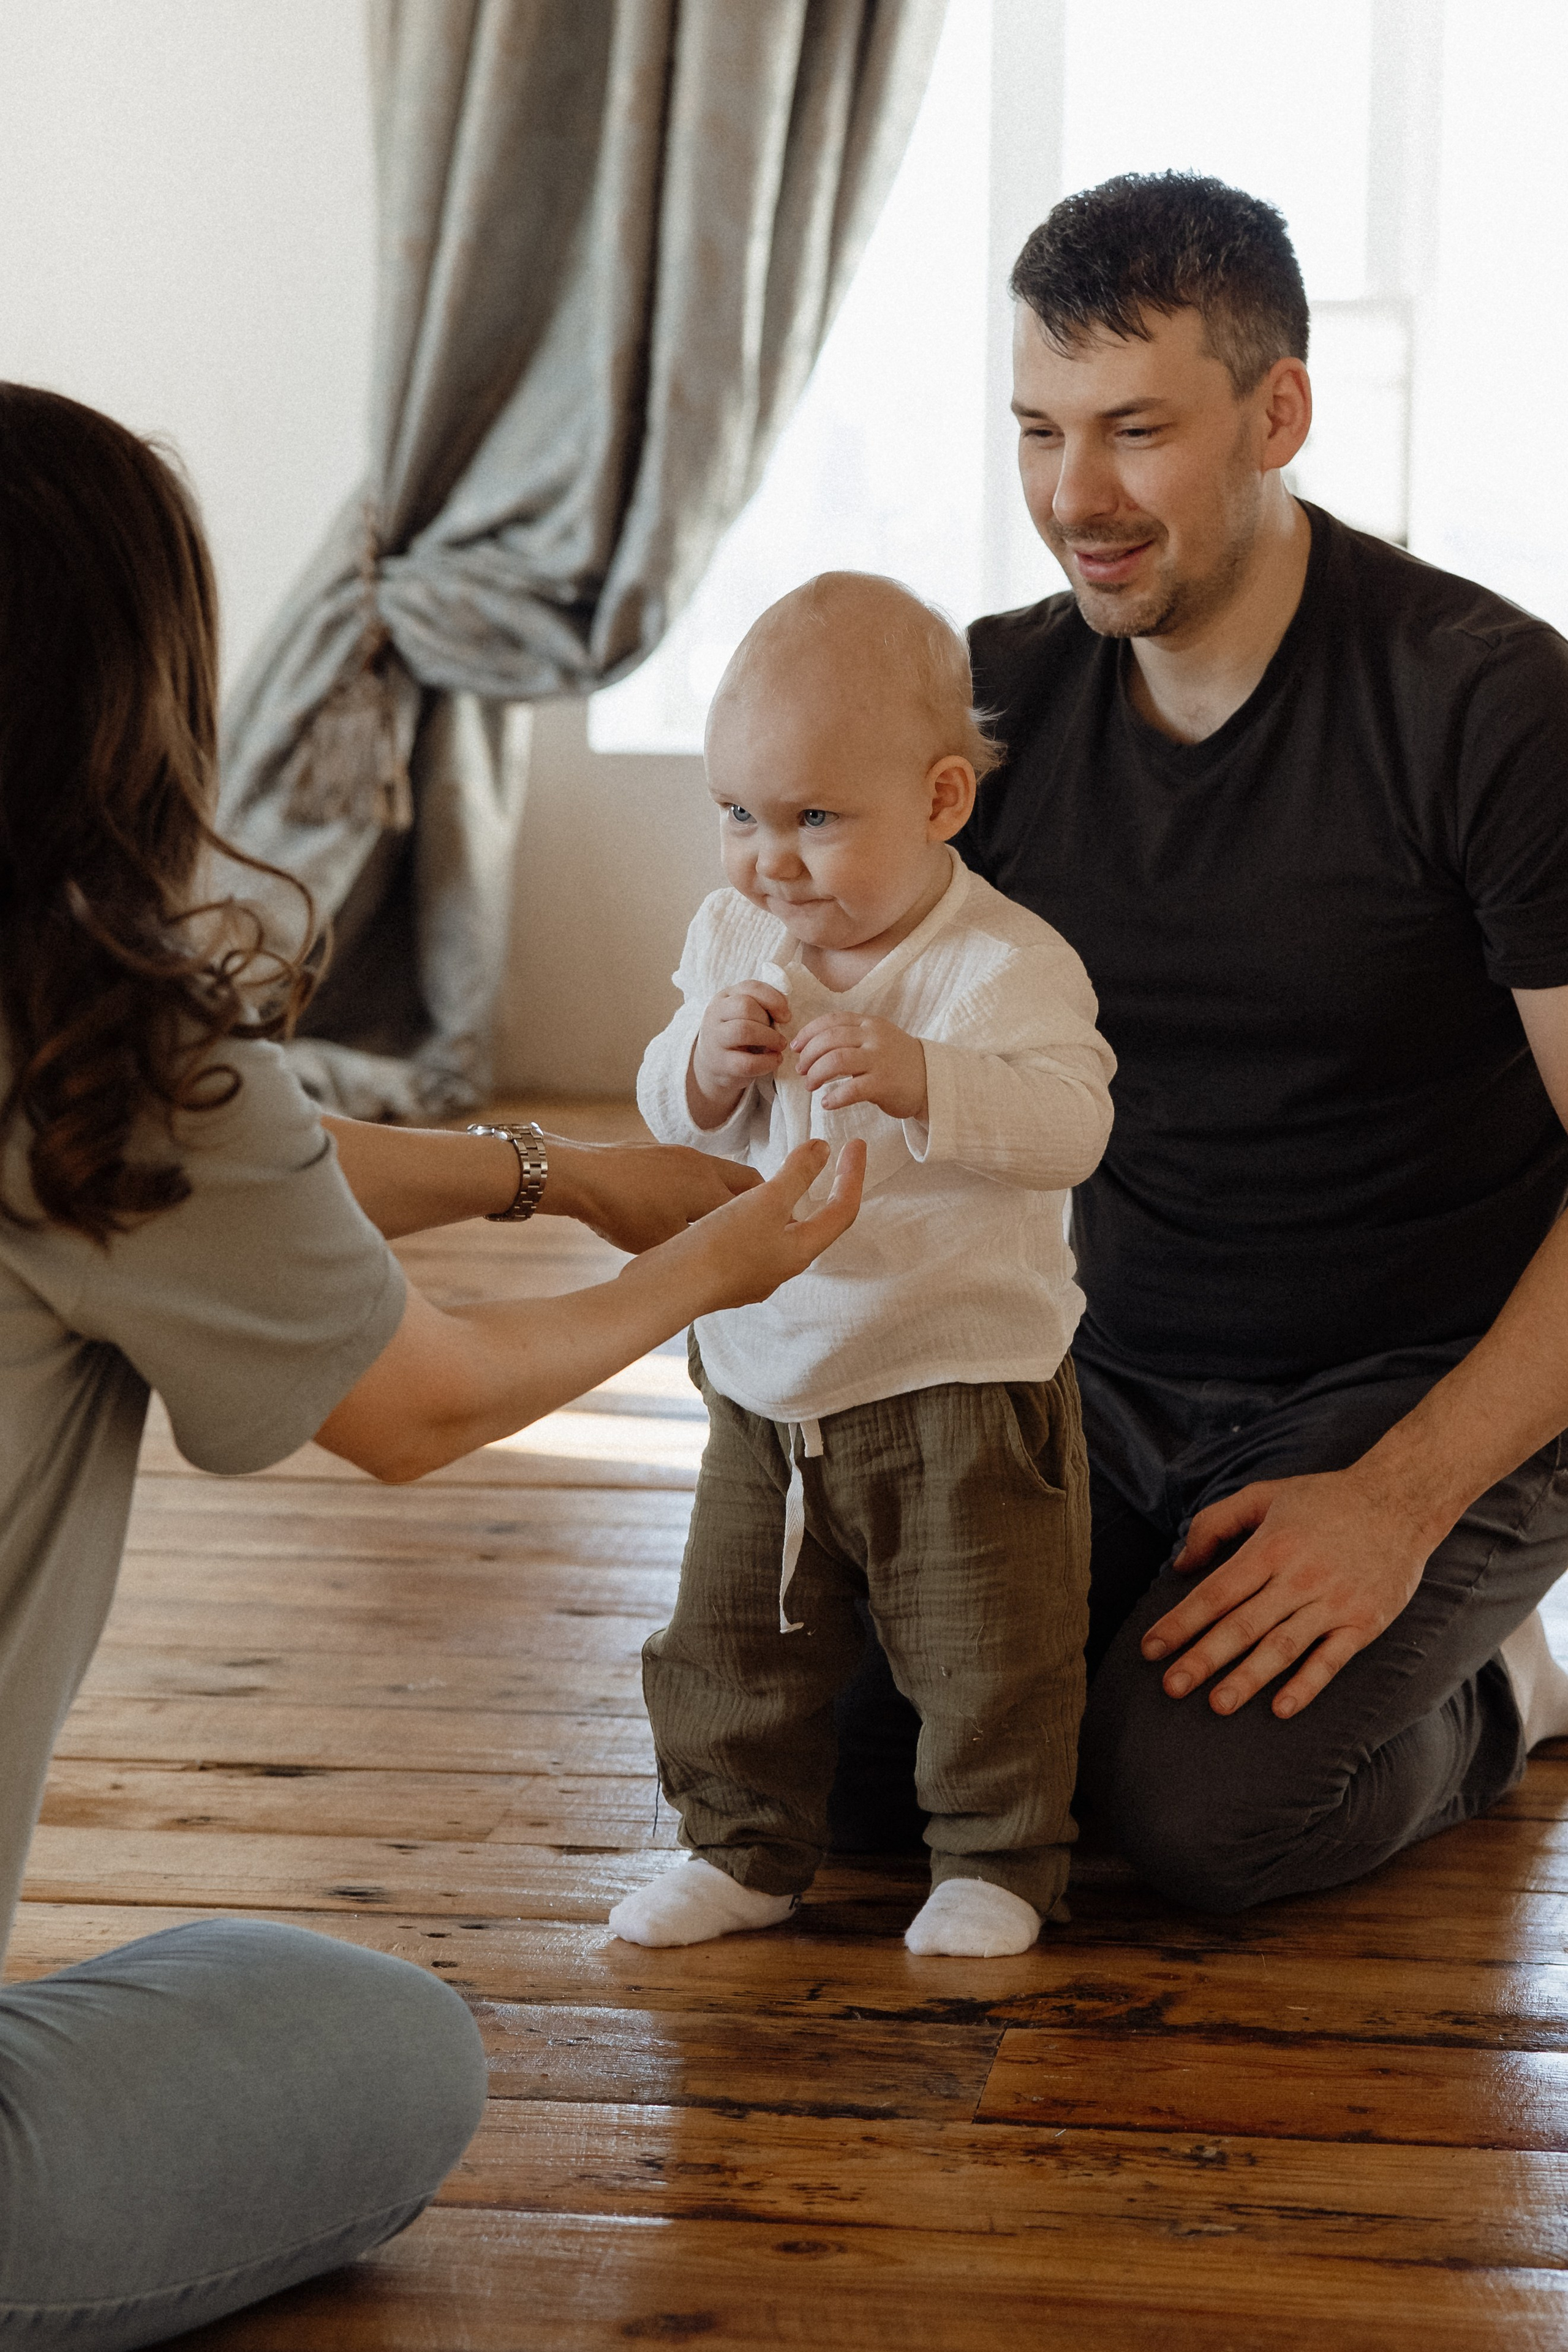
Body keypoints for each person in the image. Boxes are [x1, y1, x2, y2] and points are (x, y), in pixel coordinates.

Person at [0, 382, 862, 2352]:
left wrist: (555, 1174)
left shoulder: (105, 1091)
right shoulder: (90, 1037)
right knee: (391, 2045)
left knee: (218, 1973)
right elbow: (427, 1405)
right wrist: (722, 1248)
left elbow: (225, 1166)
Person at [833, 170, 1568, 1915]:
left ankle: (1515, 1687)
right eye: (1038, 432)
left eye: (1137, 431)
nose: (1074, 499)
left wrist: (1396, 1504)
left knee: (1202, 1818)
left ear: (1279, 411)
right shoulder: (994, 710)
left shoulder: (1491, 707)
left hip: (1430, 1390)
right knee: (858, 1773)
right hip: (1108, 1370)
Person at [606, 573, 1115, 1960]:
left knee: (986, 1654)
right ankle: (741, 1847)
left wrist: (923, 1078)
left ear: (941, 801)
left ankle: (998, 1862)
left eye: (813, 820)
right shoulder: (736, 940)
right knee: (729, 1647)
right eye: (738, 817)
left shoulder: (998, 967)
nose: (768, 861)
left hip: (956, 1378)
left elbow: (1074, 1125)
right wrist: (700, 1068)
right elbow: (665, 1102)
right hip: (768, 1384)